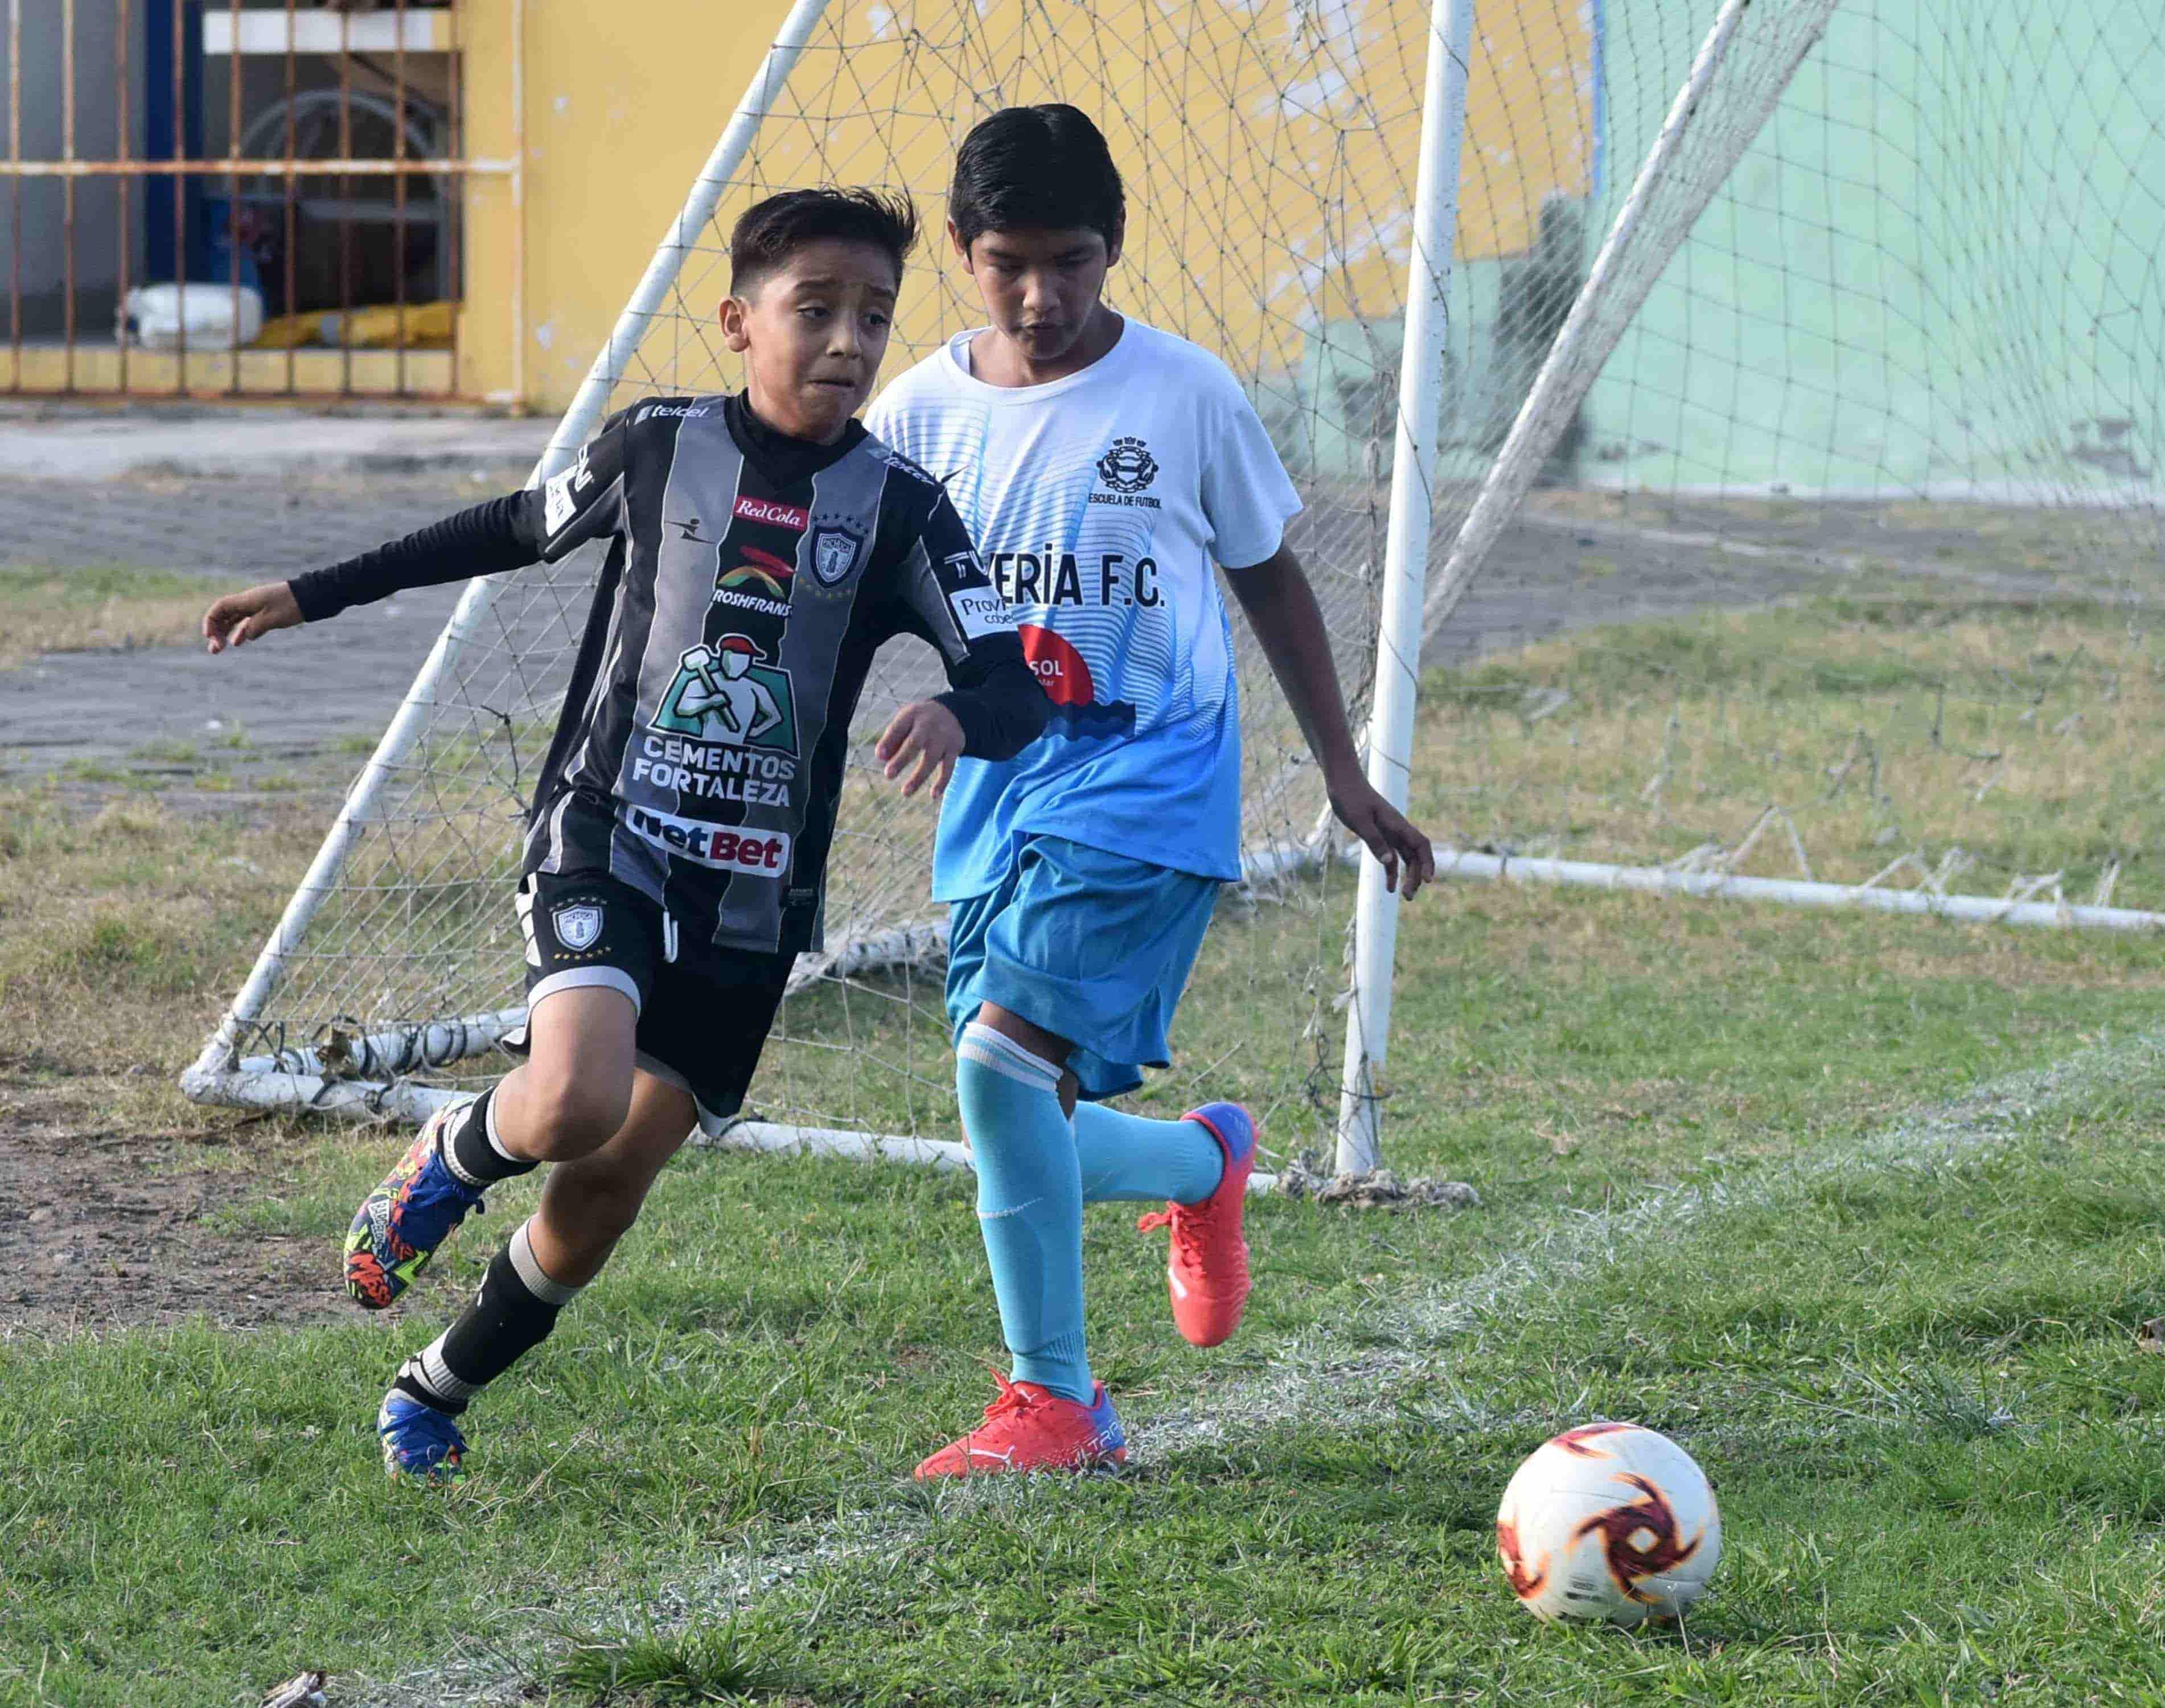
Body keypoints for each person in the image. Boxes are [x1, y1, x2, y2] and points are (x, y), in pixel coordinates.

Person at [198, 187, 1049, 1479]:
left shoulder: (902, 510)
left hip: (755, 901)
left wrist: (952, 709)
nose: (845, 341)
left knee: (603, 1187)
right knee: (573, 1097)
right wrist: (311, 592)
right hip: (609, 831)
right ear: (735, 323)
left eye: (872, 317)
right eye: (813, 309)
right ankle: (449, 1155)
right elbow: (507, 526)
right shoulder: (657, 447)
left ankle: (432, 1388)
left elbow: (1015, 682)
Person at [864, 105, 1437, 1479]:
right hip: (1000, 801)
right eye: (1009, 262)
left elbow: (1268, 578)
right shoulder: (917, 415)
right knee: (1022, 1109)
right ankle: (1201, 1168)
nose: (1042, 294)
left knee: (998, 1065)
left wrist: (1343, 773)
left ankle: (1056, 1406)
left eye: (1071, 259)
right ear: (960, 250)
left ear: (1113, 247)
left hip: (1152, 785)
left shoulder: (1185, 397)